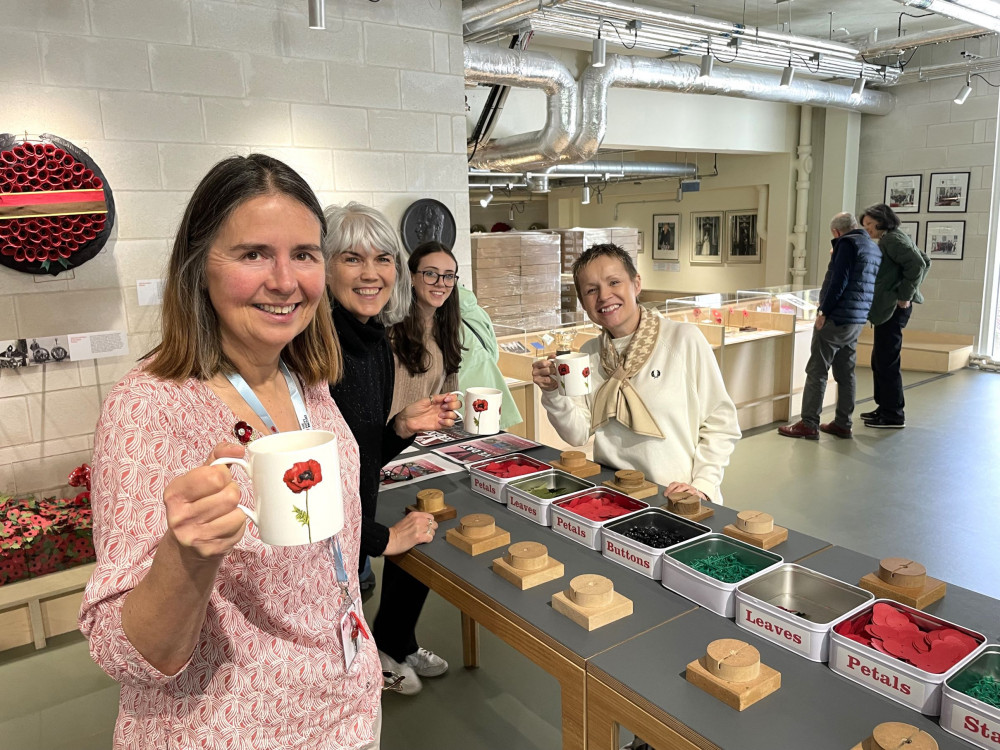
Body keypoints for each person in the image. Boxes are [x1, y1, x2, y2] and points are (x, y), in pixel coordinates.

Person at [79, 155, 382, 748]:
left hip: (345, 703)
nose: (285, 280)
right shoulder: (151, 407)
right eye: (252, 255)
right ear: (200, 269)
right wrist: (187, 557)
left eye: (304, 253)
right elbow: (121, 651)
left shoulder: (308, 381)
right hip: (234, 727)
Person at [325, 203, 458, 697]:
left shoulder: (373, 341)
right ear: (324, 265)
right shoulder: (320, 346)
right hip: (326, 548)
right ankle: (379, 656)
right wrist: (380, 539)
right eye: (351, 258)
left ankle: (391, 645)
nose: (370, 273)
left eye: (383, 259)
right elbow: (312, 483)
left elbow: (358, 458)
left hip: (355, 526)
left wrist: (400, 426)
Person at [532, 243, 740, 504]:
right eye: (591, 290)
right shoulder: (589, 354)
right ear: (583, 303)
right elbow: (577, 434)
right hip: (612, 494)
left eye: (614, 282)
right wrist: (553, 393)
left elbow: (721, 422)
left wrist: (703, 484)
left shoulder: (682, 340)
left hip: (675, 497)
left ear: (636, 284)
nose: (605, 296)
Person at [778, 212, 881, 440]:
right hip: (857, 318)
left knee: (817, 370)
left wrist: (824, 310)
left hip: (837, 318)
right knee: (846, 372)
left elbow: (839, 281)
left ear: (836, 232)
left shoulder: (846, 244)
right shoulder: (872, 247)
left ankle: (809, 423)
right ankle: (843, 423)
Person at [860, 203, 931, 429]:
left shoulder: (892, 240)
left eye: (870, 224)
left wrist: (905, 295)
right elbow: (924, 260)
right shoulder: (892, 238)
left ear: (882, 221)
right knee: (880, 359)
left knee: (886, 361)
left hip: (893, 309)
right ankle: (885, 407)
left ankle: (892, 414)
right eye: (865, 225)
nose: (868, 229)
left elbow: (918, 264)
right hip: (888, 308)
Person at [388, 241, 461, 416]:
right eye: (430, 273)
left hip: (428, 438)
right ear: (412, 277)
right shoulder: (388, 330)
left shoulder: (445, 331)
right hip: (390, 438)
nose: (441, 283)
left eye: (449, 276)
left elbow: (448, 399)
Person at [457, 285, 522, 430]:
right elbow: (493, 352)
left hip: (455, 400)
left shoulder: (429, 318)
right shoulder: (475, 310)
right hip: (488, 388)